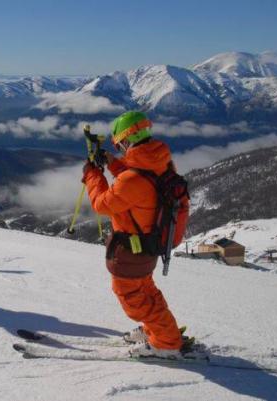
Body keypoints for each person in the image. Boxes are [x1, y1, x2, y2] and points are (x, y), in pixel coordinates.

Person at [82, 111, 184, 359]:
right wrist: (112, 164)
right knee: (146, 290)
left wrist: (92, 174)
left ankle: (166, 342)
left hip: (131, 249)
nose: (121, 149)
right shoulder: (161, 163)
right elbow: (141, 180)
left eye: (120, 145)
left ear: (126, 140)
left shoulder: (133, 178)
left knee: (132, 297)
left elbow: (103, 204)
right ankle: (157, 330)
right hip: (149, 245)